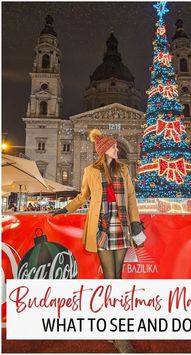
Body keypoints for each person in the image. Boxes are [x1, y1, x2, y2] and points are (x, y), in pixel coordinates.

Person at [51, 128, 143, 353]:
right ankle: (118, 335)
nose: (117, 148)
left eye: (116, 146)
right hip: (102, 226)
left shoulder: (123, 169)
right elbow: (83, 196)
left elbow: (130, 197)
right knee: (110, 278)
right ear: (104, 151)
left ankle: (117, 329)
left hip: (121, 226)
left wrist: (135, 222)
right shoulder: (91, 170)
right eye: (113, 146)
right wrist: (65, 209)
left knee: (118, 277)